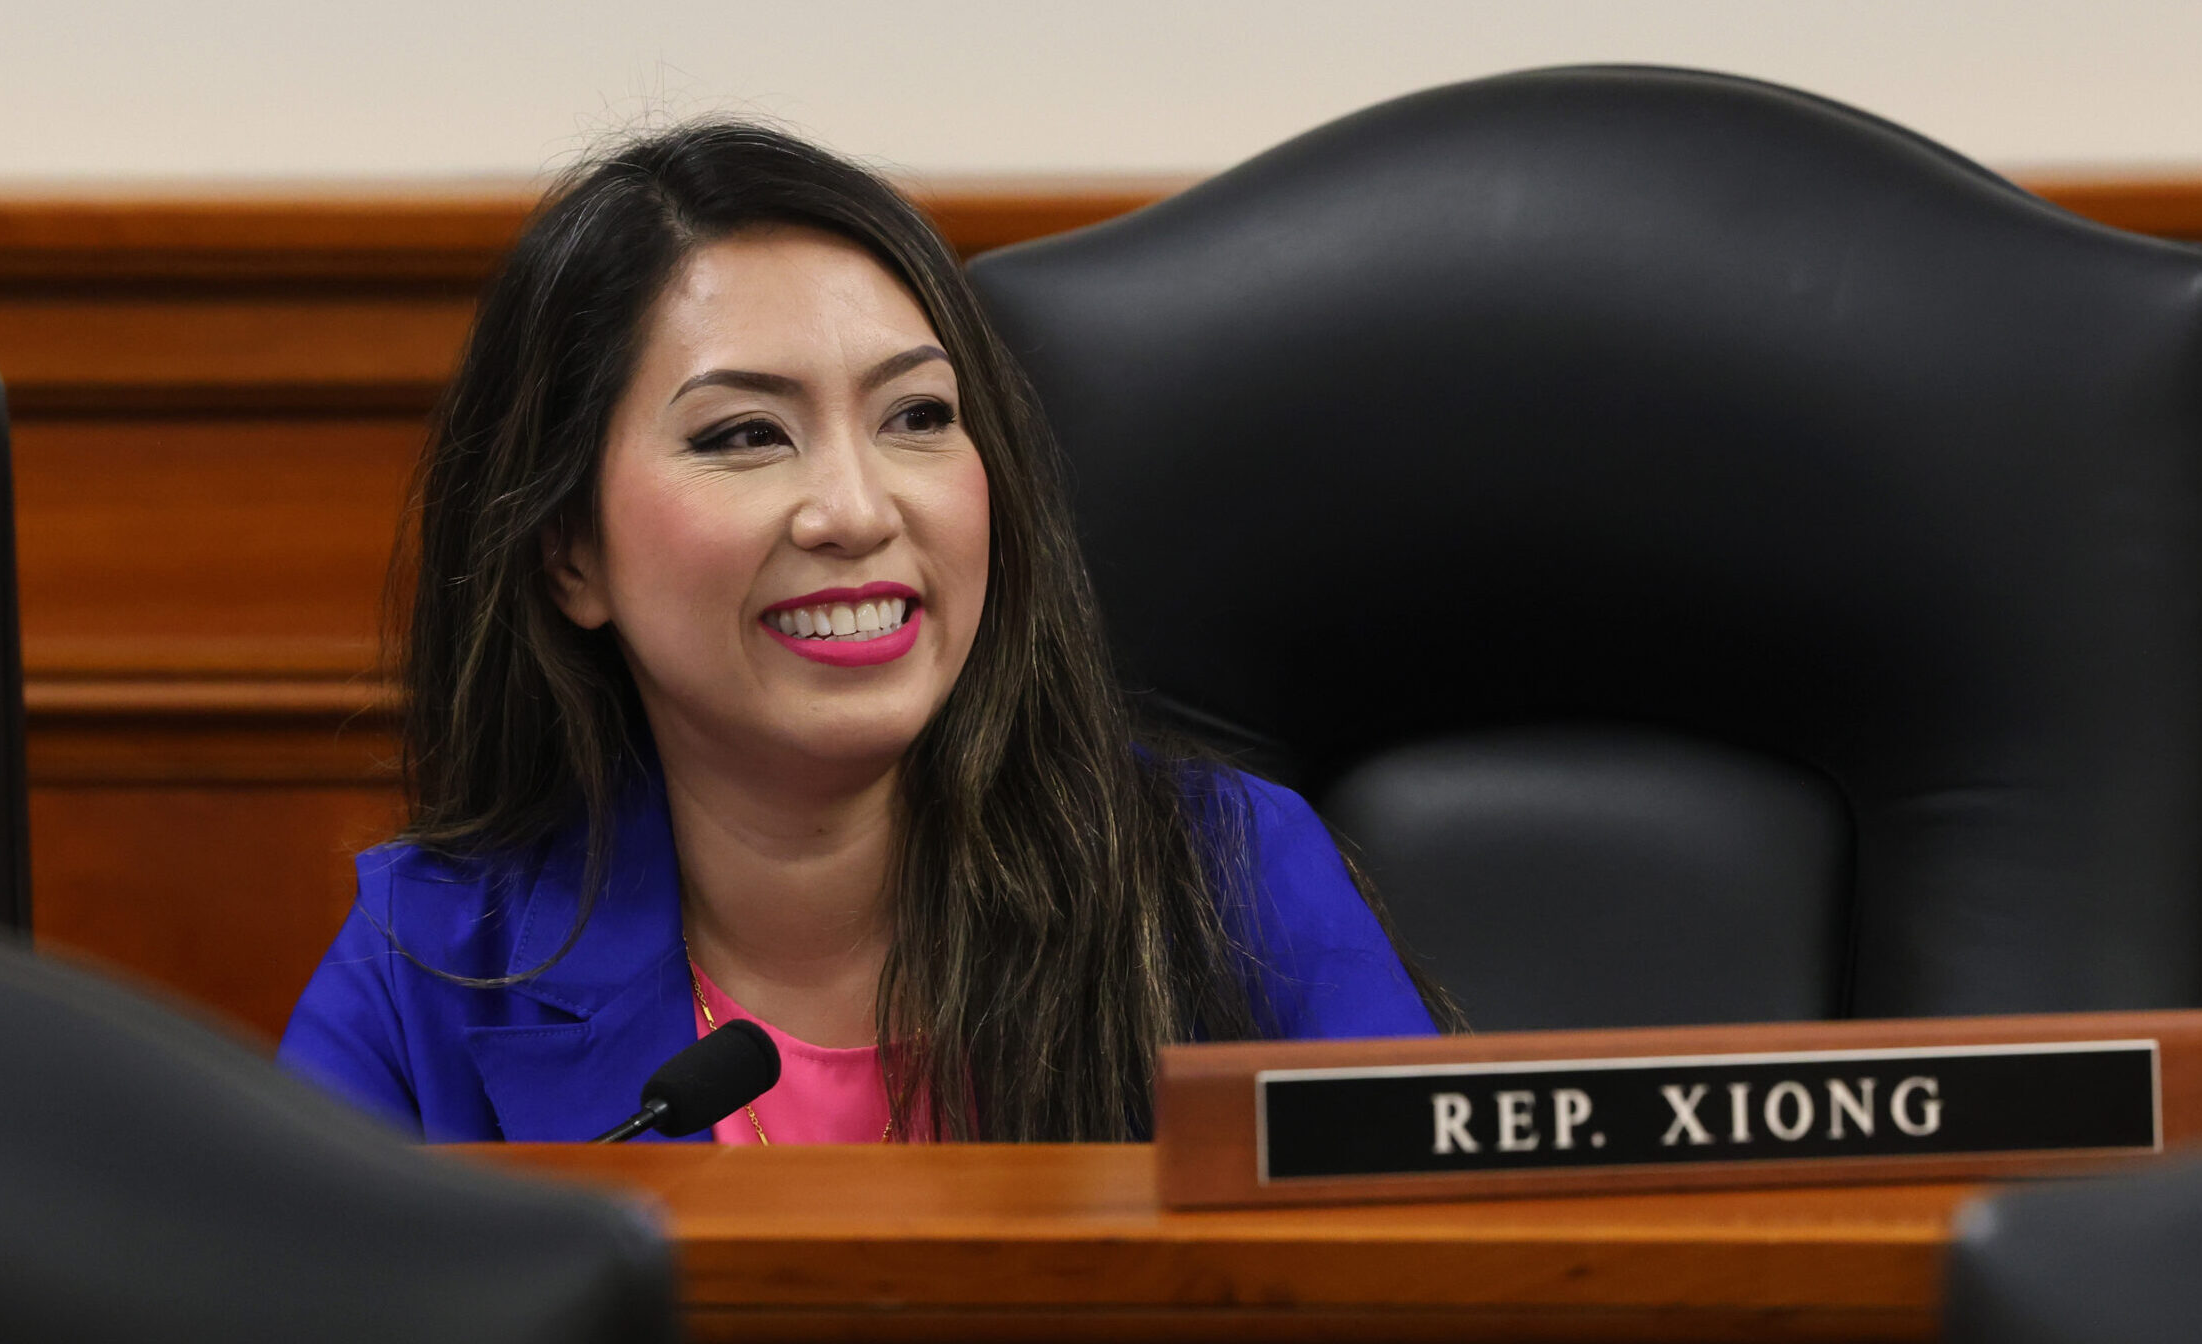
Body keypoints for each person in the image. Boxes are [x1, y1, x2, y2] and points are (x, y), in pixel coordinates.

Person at [279, 121, 1453, 1145]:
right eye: (744, 435)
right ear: (568, 555)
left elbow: (1435, 1291)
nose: (855, 510)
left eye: (918, 417)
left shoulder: (1229, 881)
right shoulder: (430, 962)